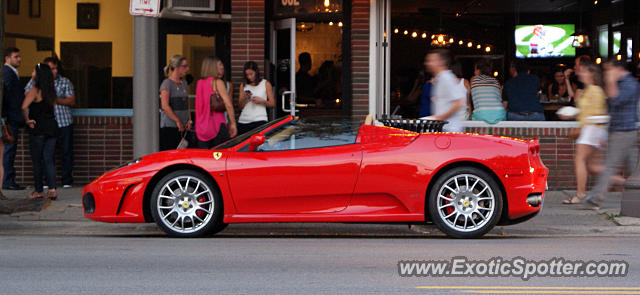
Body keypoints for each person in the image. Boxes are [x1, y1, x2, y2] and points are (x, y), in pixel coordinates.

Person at [585, 60, 640, 209]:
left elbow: (616, 101)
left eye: (608, 70)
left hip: (625, 131)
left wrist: (610, 81)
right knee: (634, 167)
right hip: (619, 130)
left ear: (618, 68)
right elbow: (611, 108)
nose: (606, 73)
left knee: (610, 165)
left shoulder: (629, 84)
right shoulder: (621, 83)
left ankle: (596, 198)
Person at [25, 57, 75, 188]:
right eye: (50, 68)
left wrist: (49, 98)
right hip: (46, 125)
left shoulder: (64, 82)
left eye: (55, 68)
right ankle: (49, 185)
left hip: (63, 122)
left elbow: (71, 101)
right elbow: (26, 95)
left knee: (65, 152)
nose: (54, 71)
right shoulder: (34, 83)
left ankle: (66, 181)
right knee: (47, 157)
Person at [561, 63, 607, 204]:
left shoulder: (595, 91)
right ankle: (624, 182)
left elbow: (595, 114)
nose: (580, 74)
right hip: (593, 129)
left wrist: (581, 128)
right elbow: (585, 111)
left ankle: (581, 194)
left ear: (592, 74)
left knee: (579, 160)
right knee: (594, 167)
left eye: (584, 71)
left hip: (591, 129)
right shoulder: (590, 90)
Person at [22, 64, 59, 200]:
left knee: (37, 160)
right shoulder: (51, 91)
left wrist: (28, 120)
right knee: (49, 159)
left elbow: (23, 107)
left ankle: (38, 190)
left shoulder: (35, 90)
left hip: (38, 128)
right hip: (52, 127)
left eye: (34, 71)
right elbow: (53, 108)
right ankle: (53, 189)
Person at [194, 57, 237, 149]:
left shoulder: (199, 83)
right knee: (221, 157)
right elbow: (228, 104)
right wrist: (232, 123)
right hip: (217, 126)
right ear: (213, 67)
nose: (222, 67)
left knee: (205, 159)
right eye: (220, 65)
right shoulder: (217, 82)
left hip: (201, 128)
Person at [425, 49, 466, 132]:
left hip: (451, 129)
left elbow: (459, 103)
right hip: (445, 128)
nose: (428, 63)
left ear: (441, 62)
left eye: (432, 60)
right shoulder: (440, 79)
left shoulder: (446, 78)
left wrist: (440, 118)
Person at [2, 47, 25, 190]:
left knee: (10, 150)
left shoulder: (11, 73)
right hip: (11, 117)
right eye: (16, 57)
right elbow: (8, 96)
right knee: (9, 149)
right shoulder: (8, 73)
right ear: (7, 58)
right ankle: (7, 180)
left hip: (11, 116)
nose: (19, 59)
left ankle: (8, 180)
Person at [159, 55, 192, 151]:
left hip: (184, 126)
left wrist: (189, 120)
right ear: (177, 67)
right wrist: (177, 121)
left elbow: (187, 103)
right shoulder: (167, 84)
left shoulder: (184, 83)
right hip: (170, 126)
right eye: (184, 66)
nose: (187, 69)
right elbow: (165, 105)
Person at [237, 61, 275, 135]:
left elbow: (272, 104)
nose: (249, 77)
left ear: (256, 72)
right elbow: (240, 107)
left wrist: (262, 101)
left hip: (260, 120)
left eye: (251, 74)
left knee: (259, 145)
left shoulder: (265, 83)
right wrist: (245, 98)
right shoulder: (243, 85)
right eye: (247, 75)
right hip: (243, 121)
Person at [470, 59, 506, 124]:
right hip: (500, 114)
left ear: (478, 70)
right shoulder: (496, 81)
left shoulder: (473, 80)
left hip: (481, 114)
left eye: (475, 70)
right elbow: (501, 98)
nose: (474, 72)